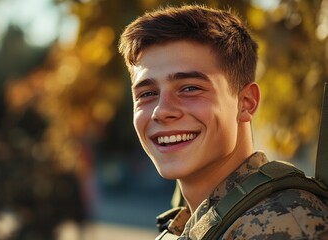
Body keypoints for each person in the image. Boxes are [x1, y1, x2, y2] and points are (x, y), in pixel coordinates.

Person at [118, 4, 328, 239]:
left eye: (190, 88)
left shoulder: (281, 224)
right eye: (147, 94)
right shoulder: (204, 219)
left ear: (246, 102)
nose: (161, 111)